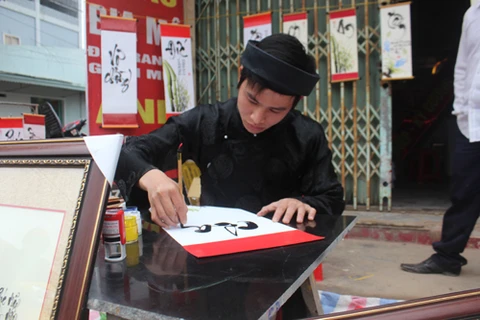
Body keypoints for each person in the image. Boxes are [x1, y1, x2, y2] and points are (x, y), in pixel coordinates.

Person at [115, 33, 345, 228]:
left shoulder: (305, 135)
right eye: (252, 100)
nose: (257, 118)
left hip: (282, 253)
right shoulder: (206, 121)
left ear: (295, 102)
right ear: (240, 74)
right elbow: (129, 151)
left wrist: (304, 204)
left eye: (276, 110)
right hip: (212, 246)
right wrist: (151, 176)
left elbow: (332, 197)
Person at [401, 3, 480, 276]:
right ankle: (447, 257)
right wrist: (461, 109)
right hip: (472, 120)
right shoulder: (473, 14)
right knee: (464, 191)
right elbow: (463, 65)